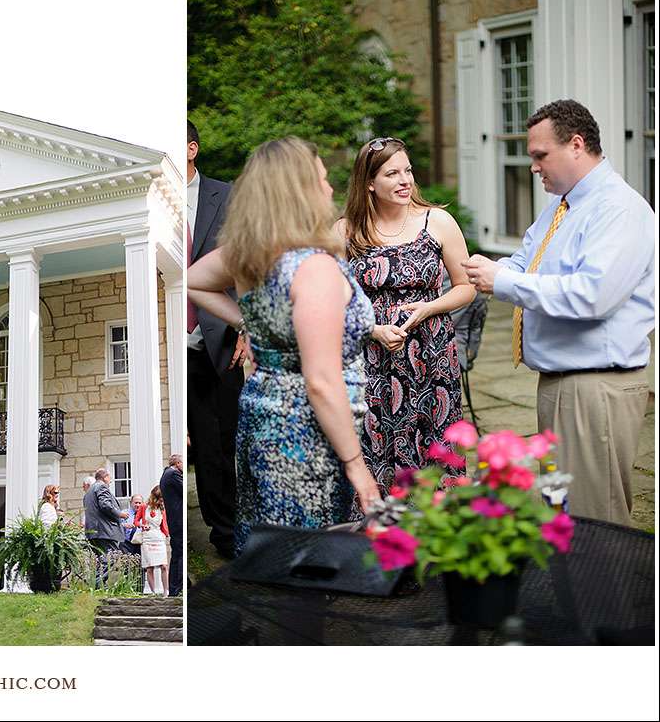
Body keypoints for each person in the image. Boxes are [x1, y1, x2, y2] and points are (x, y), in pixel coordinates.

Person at [463, 99, 655, 526]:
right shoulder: (563, 206)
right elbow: (524, 259)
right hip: (560, 383)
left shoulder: (618, 210)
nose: (533, 167)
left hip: (595, 387)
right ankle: (575, 594)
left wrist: (504, 281)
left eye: (539, 155)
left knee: (595, 522)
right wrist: (486, 269)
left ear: (576, 144)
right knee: (562, 515)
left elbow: (592, 296)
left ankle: (606, 596)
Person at [188, 136, 383, 555]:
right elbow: (321, 381)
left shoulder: (250, 256)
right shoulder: (312, 269)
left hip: (262, 419)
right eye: (323, 179)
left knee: (273, 555)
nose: (330, 189)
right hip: (307, 434)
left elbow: (195, 280)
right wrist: (357, 468)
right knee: (307, 558)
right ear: (301, 191)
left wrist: (252, 324)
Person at [340, 137, 475, 511]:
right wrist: (372, 329)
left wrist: (428, 308)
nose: (405, 181)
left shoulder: (439, 222)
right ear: (369, 182)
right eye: (392, 173)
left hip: (431, 357)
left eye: (408, 171)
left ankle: (442, 539)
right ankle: (382, 542)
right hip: (372, 361)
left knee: (436, 444)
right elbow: (332, 302)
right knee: (374, 444)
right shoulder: (346, 232)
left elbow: (466, 288)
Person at [187, 119, 247, 560]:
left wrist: (246, 324)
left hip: (220, 335)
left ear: (192, 149)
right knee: (201, 444)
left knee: (227, 438)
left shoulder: (225, 196)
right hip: (171, 342)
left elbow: (245, 265)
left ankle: (235, 525)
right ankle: (221, 528)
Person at [83, 467, 128, 585]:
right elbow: (105, 505)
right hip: (105, 531)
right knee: (110, 559)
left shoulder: (89, 492)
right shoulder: (101, 487)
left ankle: (95, 585)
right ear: (105, 477)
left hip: (93, 532)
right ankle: (96, 585)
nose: (111, 481)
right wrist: (121, 514)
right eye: (110, 478)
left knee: (100, 560)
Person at [135, 485, 170, 597]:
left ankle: (166, 591)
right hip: (147, 538)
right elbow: (136, 521)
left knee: (164, 565)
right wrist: (141, 525)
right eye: (160, 498)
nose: (162, 500)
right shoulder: (144, 507)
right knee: (149, 567)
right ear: (154, 497)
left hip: (159, 538)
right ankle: (154, 592)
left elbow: (164, 524)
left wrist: (168, 535)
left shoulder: (162, 508)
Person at [160, 454, 184, 596]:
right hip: (178, 520)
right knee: (179, 554)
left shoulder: (165, 474)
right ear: (177, 463)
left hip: (174, 520)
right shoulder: (173, 474)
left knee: (176, 555)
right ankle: (179, 587)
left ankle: (174, 589)